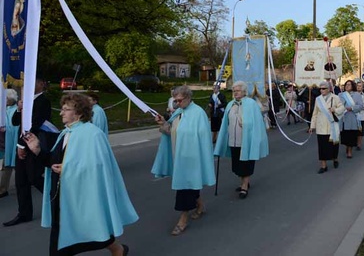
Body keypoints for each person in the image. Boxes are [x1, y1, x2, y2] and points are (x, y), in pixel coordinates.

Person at [23, 93, 137, 255]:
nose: (61, 113)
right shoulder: (65, 133)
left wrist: (68, 169)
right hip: (62, 196)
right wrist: (37, 149)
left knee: (89, 230)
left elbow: (98, 167)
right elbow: (54, 162)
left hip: (81, 196)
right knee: (71, 235)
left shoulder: (93, 134)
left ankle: (117, 249)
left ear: (78, 113)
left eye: (66, 109)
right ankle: (117, 248)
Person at [152, 85, 215, 236]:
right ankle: (199, 205)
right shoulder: (179, 113)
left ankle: (183, 219)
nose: (177, 104)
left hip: (192, 159)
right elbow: (172, 132)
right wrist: (163, 124)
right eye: (175, 101)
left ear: (188, 98)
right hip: (179, 157)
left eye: (179, 101)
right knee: (190, 185)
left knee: (184, 189)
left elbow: (202, 138)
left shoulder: (198, 113)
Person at [4, 77, 53, 227]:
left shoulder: (43, 101)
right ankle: (24, 213)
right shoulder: (27, 101)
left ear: (41, 83)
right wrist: (19, 109)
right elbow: (15, 122)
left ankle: (58, 198)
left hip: (33, 145)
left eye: (34, 82)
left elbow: (35, 124)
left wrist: (21, 145)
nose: (29, 85)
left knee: (34, 177)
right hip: (23, 144)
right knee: (21, 181)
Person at [214, 81, 269, 199]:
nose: (235, 93)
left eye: (237, 90)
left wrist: (245, 124)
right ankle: (244, 181)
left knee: (246, 163)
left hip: (246, 140)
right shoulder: (230, 104)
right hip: (233, 140)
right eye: (234, 91)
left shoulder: (251, 104)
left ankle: (244, 185)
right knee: (237, 164)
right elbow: (226, 122)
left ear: (244, 91)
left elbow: (257, 122)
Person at [309, 81, 345, 173]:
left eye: (324, 88)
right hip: (321, 126)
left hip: (332, 125)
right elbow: (315, 113)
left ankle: (335, 159)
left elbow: (342, 108)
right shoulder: (318, 99)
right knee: (322, 147)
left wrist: (334, 109)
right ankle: (323, 166)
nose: (321, 90)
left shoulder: (335, 97)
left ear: (329, 89)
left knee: (333, 145)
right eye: (320, 88)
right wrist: (312, 126)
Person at [0, 89, 20, 198]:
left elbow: (15, 125)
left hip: (14, 140)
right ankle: (3, 189)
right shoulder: (3, 109)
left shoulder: (17, 109)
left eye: (7, 98)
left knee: (19, 166)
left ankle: (27, 183)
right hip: (6, 141)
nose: (5, 100)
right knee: (7, 165)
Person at [339, 80, 363, 159]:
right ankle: (347, 146)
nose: (347, 86)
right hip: (343, 119)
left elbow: (360, 106)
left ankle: (350, 151)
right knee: (345, 137)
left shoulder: (357, 95)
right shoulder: (341, 95)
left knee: (351, 136)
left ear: (353, 86)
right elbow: (337, 105)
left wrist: (352, 108)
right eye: (346, 84)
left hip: (353, 118)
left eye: (349, 84)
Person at [356, 81, 364, 150]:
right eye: (357, 85)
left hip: (361, 116)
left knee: (360, 131)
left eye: (360, 86)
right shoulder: (352, 95)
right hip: (353, 116)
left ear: (363, 88)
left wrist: (359, 107)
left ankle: (359, 144)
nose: (358, 87)